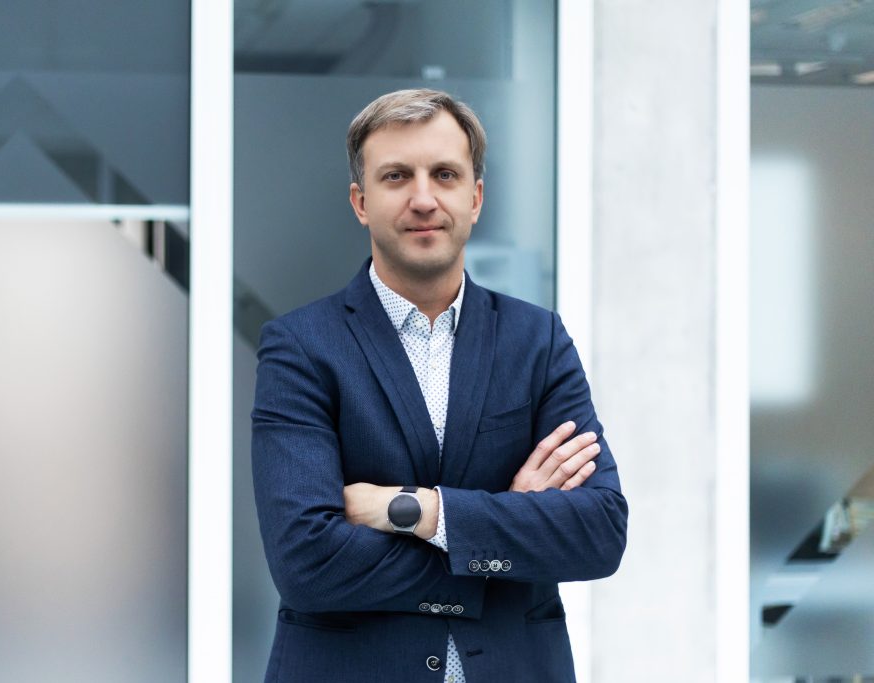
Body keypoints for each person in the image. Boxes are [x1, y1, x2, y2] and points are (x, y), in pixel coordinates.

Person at [251, 89, 627, 682]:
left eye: (445, 174)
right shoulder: (301, 347)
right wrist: (507, 525)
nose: (423, 198)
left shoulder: (538, 341)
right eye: (397, 176)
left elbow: (598, 533)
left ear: (474, 198)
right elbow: (307, 563)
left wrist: (416, 511)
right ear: (361, 201)